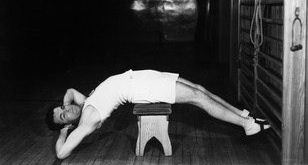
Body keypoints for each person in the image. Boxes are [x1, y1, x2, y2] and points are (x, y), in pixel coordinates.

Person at [46, 69, 270, 160]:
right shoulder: (86, 121)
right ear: (70, 124)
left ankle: (245, 115)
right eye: (64, 116)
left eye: (63, 108)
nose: (67, 109)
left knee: (200, 89)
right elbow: (61, 153)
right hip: (143, 90)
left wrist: (62, 109)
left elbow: (69, 92)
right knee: (199, 99)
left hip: (143, 76)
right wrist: (64, 132)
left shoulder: (84, 103)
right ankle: (247, 126)